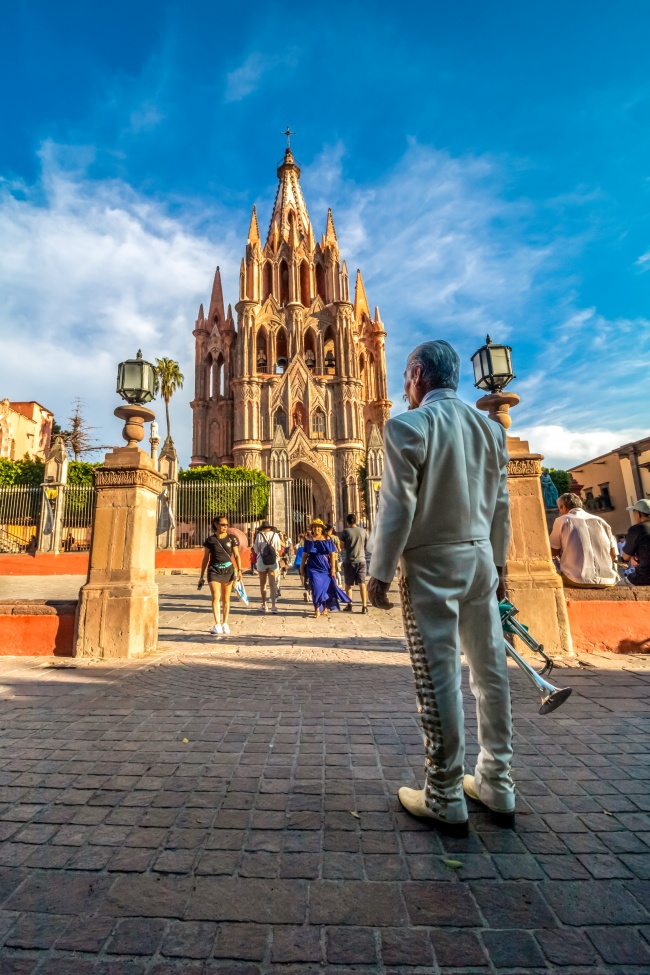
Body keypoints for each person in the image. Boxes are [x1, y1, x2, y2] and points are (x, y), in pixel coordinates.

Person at [367, 339, 513, 837]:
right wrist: (500, 571)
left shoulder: (408, 426)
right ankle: (497, 781)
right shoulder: (490, 429)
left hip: (431, 566)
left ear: (416, 375)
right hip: (481, 563)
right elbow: (501, 507)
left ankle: (446, 792)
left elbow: (396, 507)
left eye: (405, 377)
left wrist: (379, 571)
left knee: (441, 675)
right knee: (491, 671)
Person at [549, 493, 618, 588]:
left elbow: (553, 551)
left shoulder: (562, 520)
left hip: (576, 579)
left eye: (559, 509)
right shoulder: (601, 521)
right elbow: (613, 554)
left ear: (563, 507)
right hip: (608, 579)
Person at [199, 515, 243, 635]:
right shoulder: (210, 540)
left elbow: (237, 555)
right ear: (216, 525)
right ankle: (217, 624)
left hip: (228, 570)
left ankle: (225, 623)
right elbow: (205, 559)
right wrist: (201, 576)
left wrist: (239, 570)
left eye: (227, 525)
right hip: (214, 570)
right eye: (223, 524)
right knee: (215, 596)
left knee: (226, 598)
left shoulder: (232, 538)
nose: (225, 527)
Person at [303, 520, 351, 618]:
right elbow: (305, 555)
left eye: (318, 527)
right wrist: (301, 567)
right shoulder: (308, 540)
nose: (316, 529)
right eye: (315, 527)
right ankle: (317, 608)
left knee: (325, 589)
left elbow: (332, 554)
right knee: (316, 588)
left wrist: (333, 569)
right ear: (312, 528)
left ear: (322, 528)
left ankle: (324, 607)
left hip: (325, 568)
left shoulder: (327, 539)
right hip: (313, 567)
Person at [340, 513, 369, 614]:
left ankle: (349, 604)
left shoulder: (345, 532)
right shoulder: (363, 531)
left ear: (347, 522)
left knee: (348, 584)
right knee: (362, 584)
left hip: (349, 561)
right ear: (356, 521)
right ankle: (364, 606)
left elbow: (341, 546)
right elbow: (366, 544)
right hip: (361, 560)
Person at [253, 520, 283, 613]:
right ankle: (273, 606)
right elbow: (278, 548)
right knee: (272, 584)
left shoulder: (259, 535)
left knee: (263, 584)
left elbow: (256, 550)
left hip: (262, 560)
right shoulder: (275, 535)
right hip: (273, 561)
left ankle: (264, 605)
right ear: (270, 527)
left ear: (262, 528)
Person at [621, 499, 650, 586]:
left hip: (645, 576)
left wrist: (630, 556)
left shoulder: (636, 529)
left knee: (615, 588)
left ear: (638, 513)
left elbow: (625, 557)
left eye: (634, 512)